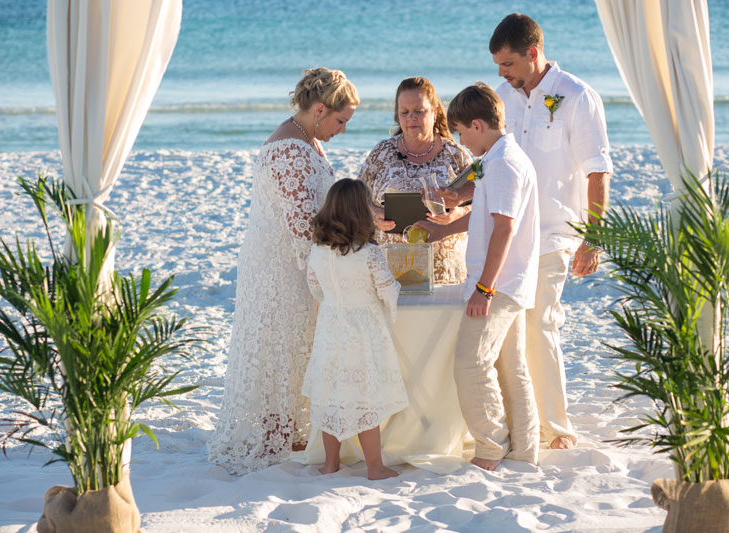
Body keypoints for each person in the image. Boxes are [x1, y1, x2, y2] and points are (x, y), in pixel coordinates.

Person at [209, 68, 360, 474]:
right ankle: (278, 435)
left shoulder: (305, 137)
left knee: (297, 348)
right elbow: (301, 225)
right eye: (340, 121)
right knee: (284, 347)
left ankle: (291, 431)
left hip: (292, 259)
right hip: (282, 265)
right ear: (319, 109)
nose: (342, 130)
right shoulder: (291, 149)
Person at [489, 13, 613, 450]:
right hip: (506, 233)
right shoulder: (501, 97)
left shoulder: (577, 96)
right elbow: (487, 158)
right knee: (508, 329)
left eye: (507, 64)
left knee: (541, 325)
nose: (500, 74)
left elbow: (598, 171)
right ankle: (519, 421)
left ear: (533, 53)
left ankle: (556, 428)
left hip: (555, 232)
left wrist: (592, 239)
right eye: (498, 66)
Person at [426, 83, 540, 471]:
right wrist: (445, 226)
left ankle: (491, 446)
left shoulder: (504, 161)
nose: (460, 140)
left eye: (460, 131)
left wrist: (483, 289)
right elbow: (487, 217)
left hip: (499, 283)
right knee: (512, 368)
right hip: (510, 281)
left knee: (471, 365)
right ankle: (525, 449)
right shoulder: (498, 157)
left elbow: (504, 229)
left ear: (478, 125)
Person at [303, 178, 409, 480]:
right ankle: (375, 467)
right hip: (362, 331)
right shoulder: (369, 253)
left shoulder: (318, 251)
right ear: (362, 212)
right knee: (365, 398)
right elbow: (388, 289)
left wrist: (335, 302)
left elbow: (316, 288)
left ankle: (330, 464)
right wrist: (391, 307)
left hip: (330, 327)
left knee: (331, 396)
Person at [358, 77, 473, 284]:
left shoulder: (456, 155)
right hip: (390, 272)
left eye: (419, 111)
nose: (411, 118)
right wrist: (375, 214)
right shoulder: (382, 152)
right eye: (405, 112)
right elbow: (357, 198)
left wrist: (458, 213)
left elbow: (481, 203)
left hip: (445, 271)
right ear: (398, 116)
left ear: (435, 112)